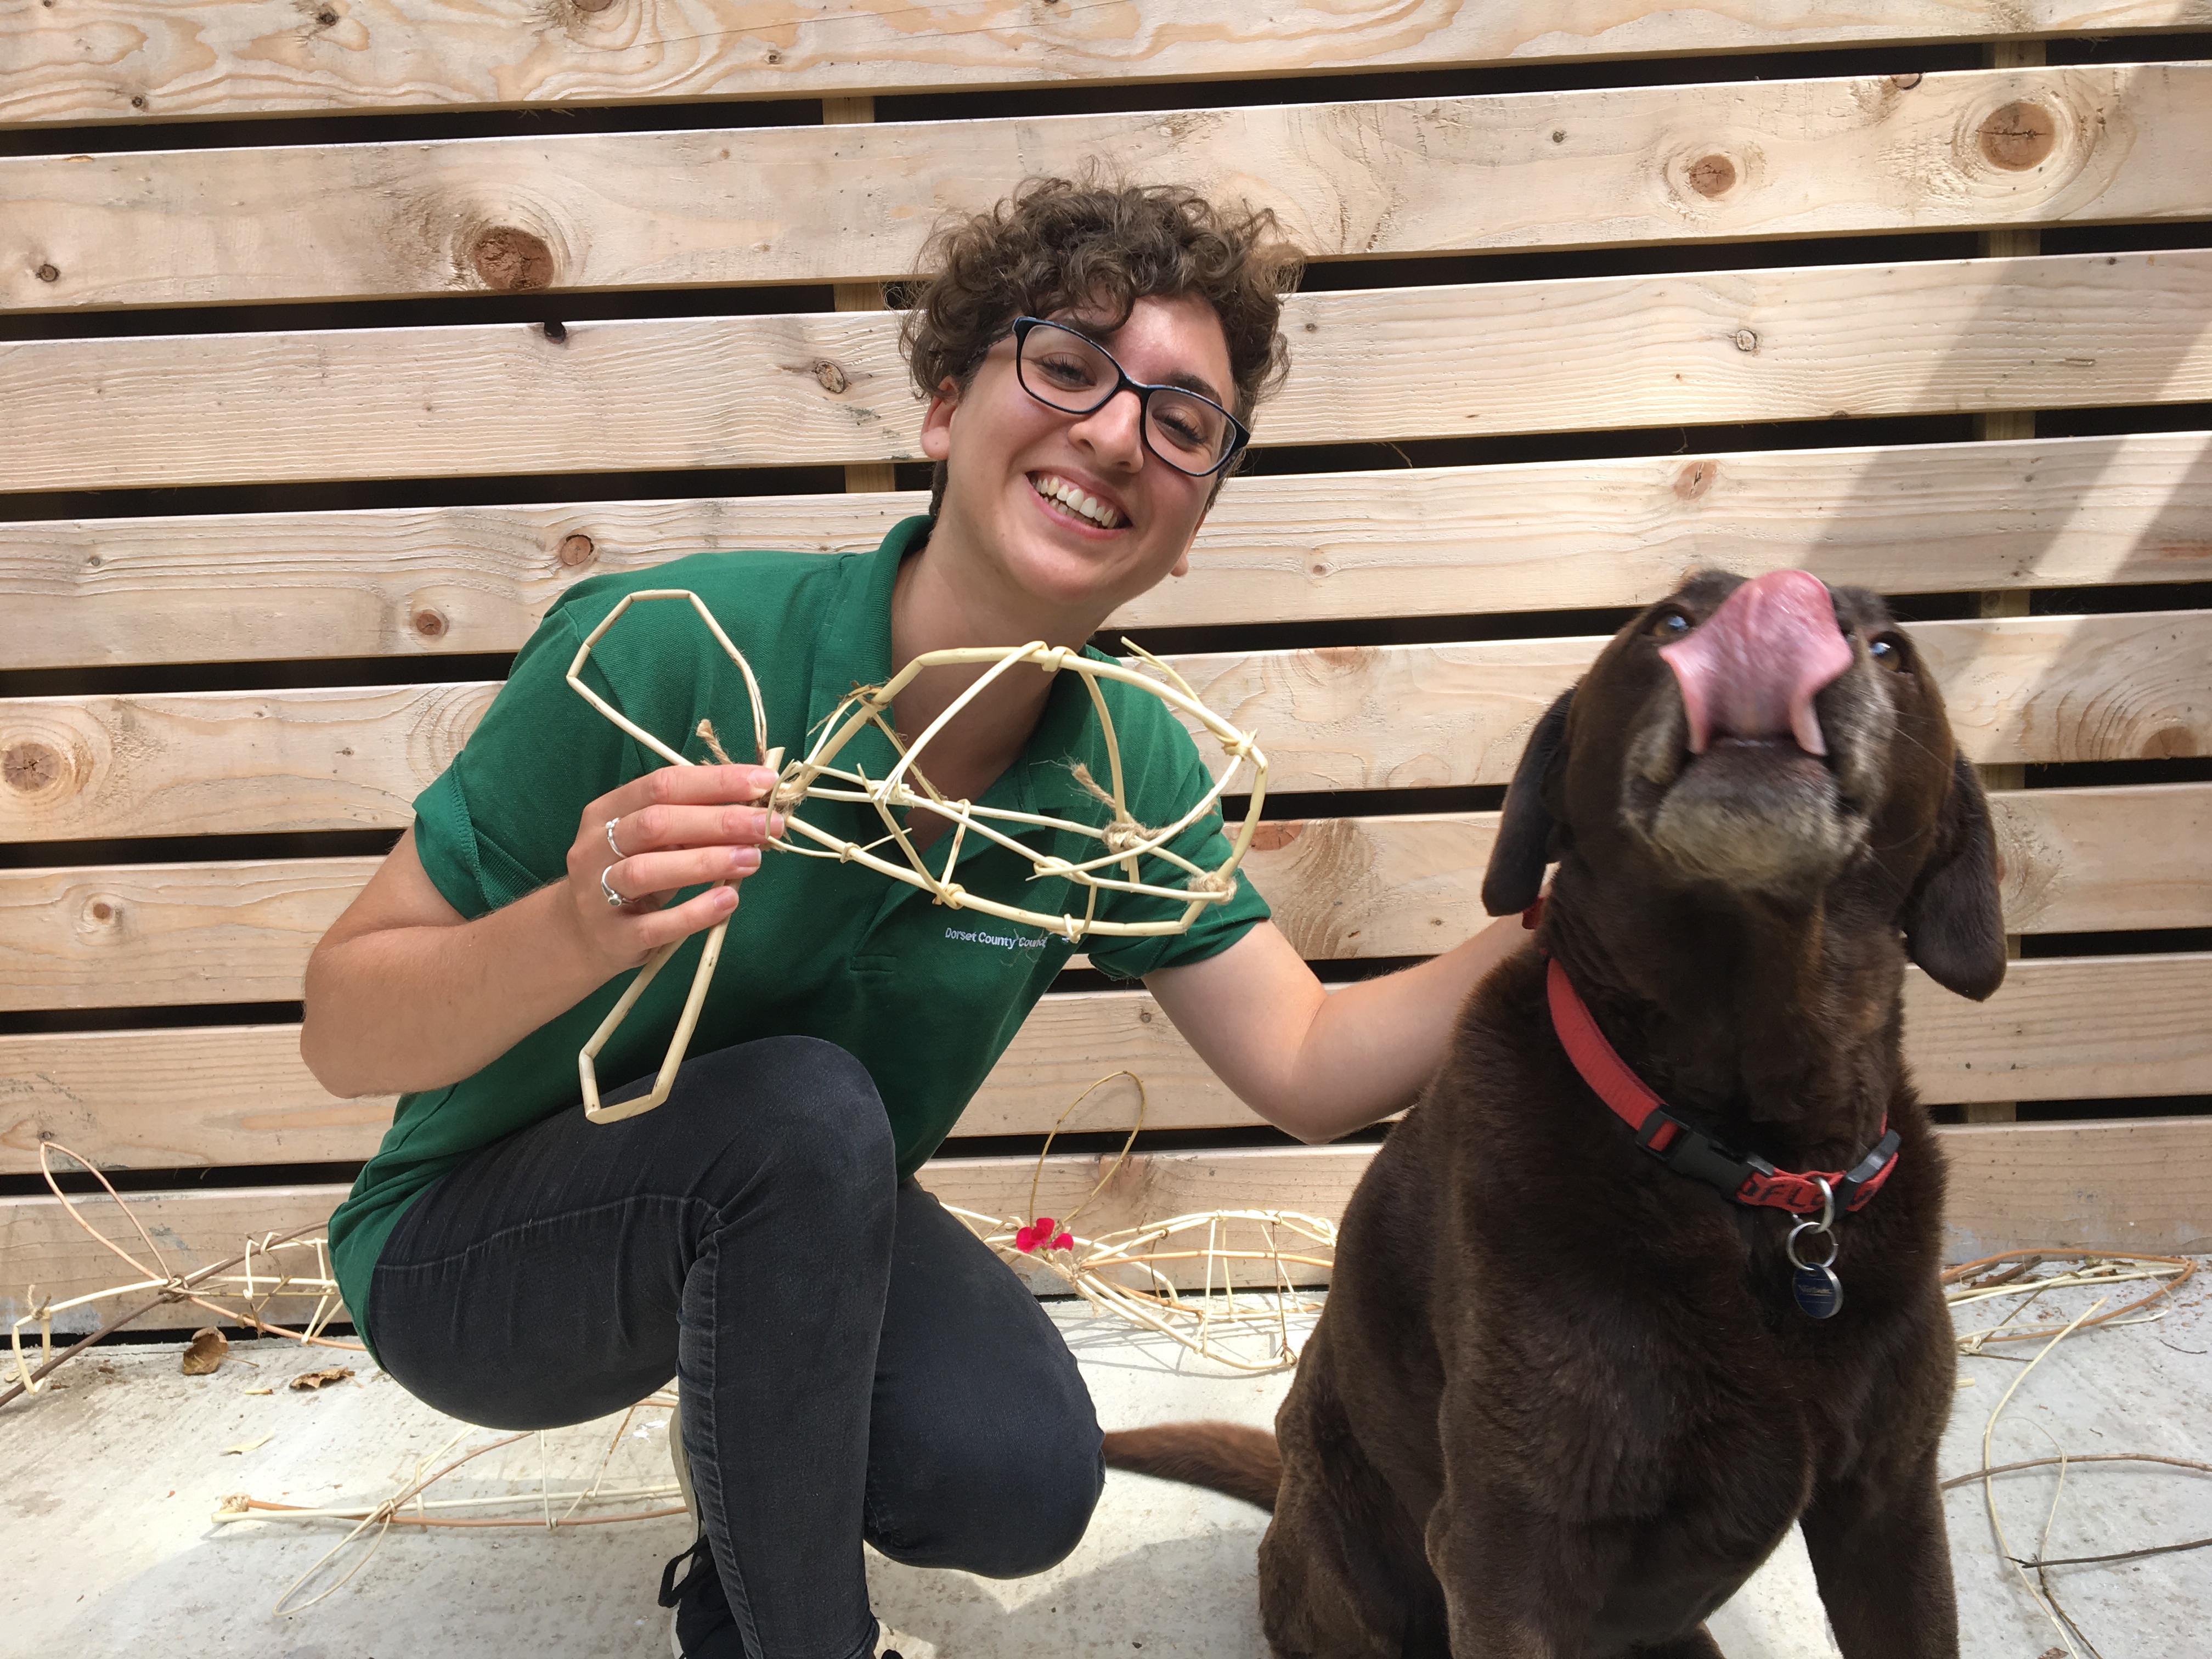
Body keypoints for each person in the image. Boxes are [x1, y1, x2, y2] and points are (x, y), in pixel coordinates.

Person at [303, 177, 1529, 1659]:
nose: (1113, 432)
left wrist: (1577, 919)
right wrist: (574, 921)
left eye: (1183, 421)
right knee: (813, 1113)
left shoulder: (1121, 761)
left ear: (1195, 519)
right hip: (469, 1258)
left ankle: (750, 1532)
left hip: (786, 1212)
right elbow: (344, 1025)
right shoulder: (670, 652)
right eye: (1069, 366)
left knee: (1017, 1475)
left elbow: (1310, 1056)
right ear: (947, 405)